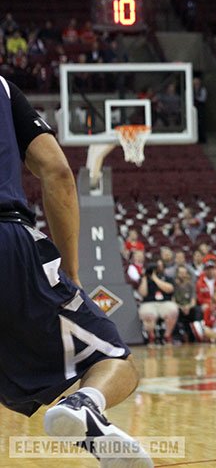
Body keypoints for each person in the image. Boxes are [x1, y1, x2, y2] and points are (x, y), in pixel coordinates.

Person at [0, 74, 151, 464]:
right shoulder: (2, 88)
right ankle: (85, 404)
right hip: (8, 245)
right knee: (115, 360)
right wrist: (72, 271)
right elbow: (58, 173)